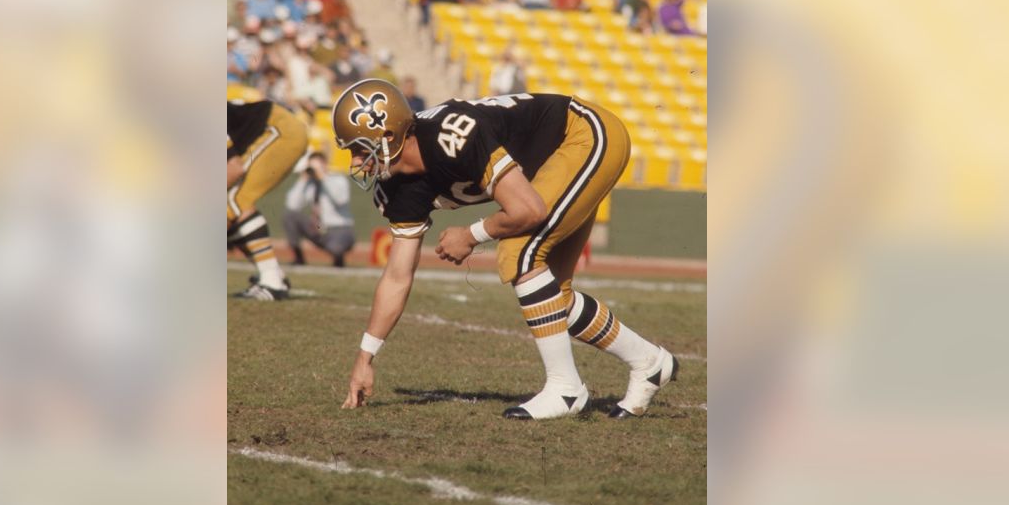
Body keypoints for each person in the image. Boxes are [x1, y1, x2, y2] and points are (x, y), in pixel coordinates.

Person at [332, 79, 680, 420]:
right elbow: (396, 276)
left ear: (389, 135)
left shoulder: (451, 136)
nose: (355, 162)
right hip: (552, 164)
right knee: (552, 295)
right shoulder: (397, 190)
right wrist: (365, 358)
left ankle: (566, 389)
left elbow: (528, 211)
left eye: (360, 149)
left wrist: (470, 235)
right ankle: (649, 363)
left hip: (583, 133)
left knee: (518, 249)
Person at [227, 99, 309, 301]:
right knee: (232, 205)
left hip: (280, 129)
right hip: (273, 129)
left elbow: (233, 168)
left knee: (233, 201)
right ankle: (273, 275)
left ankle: (272, 281)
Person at [283, 152, 357, 268]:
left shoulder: (338, 179)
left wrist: (323, 176)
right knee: (290, 217)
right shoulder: (310, 184)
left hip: (339, 230)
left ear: (325, 164)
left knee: (336, 247)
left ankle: (338, 260)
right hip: (318, 229)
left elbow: (341, 200)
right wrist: (303, 179)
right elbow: (292, 205)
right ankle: (298, 258)